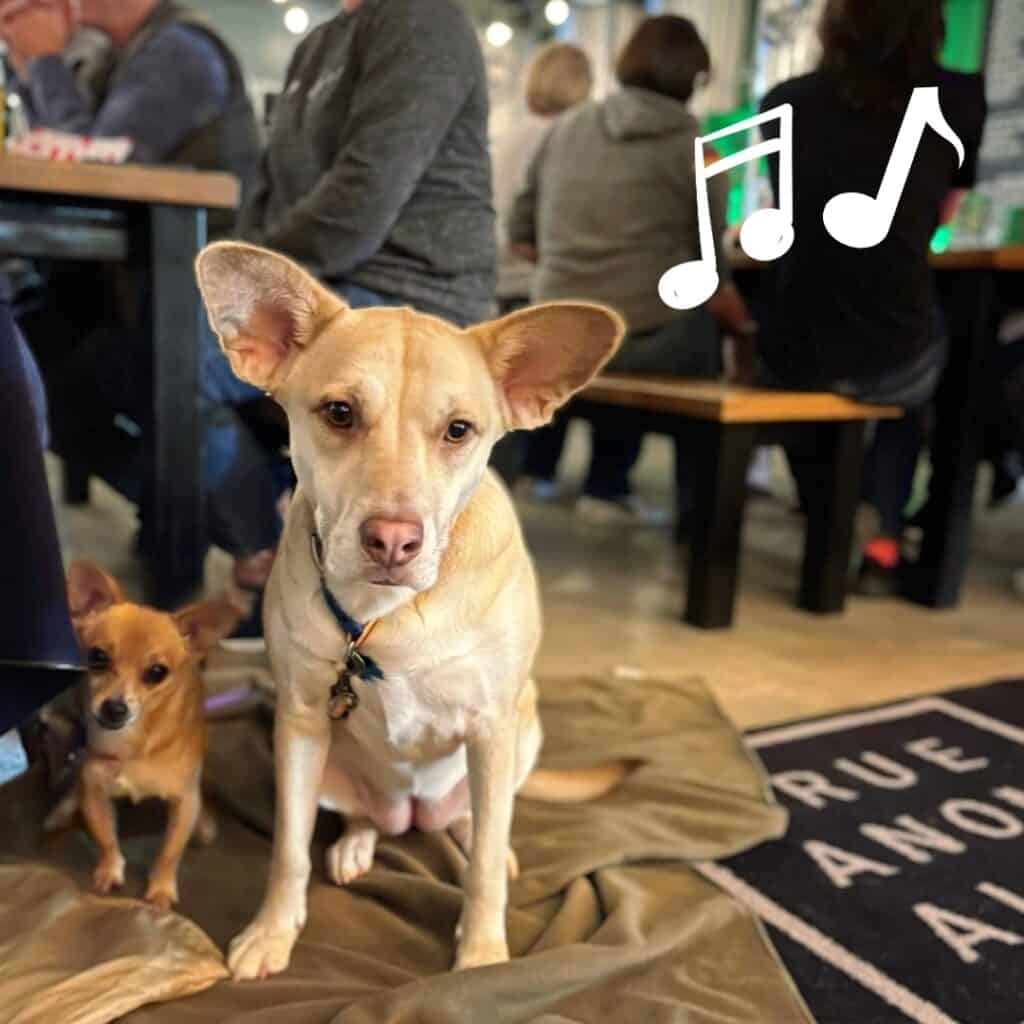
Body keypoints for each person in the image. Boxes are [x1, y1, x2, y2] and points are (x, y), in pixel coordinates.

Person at [214, 0, 495, 638]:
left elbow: (359, 204)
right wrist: (252, 286)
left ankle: (272, 561)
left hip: (414, 292)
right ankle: (276, 552)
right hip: (328, 285)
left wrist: (262, 290)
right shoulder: (319, 45)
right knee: (106, 364)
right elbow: (270, 194)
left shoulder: (423, 21)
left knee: (171, 363)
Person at [1, 0, 275, 620]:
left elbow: (93, 153)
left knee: (153, 366)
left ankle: (258, 537)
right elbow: (60, 151)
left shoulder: (181, 51)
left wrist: (43, 58)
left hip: (207, 299)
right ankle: (190, 513)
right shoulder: (122, 55)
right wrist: (32, 63)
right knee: (35, 358)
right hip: (149, 288)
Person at [757, 0, 987, 594]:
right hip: (892, 346)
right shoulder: (958, 97)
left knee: (821, 363)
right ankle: (885, 533)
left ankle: (828, 513)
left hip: (792, 349)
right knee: (923, 355)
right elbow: (941, 215)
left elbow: (789, 214)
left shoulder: (783, 100)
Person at [510, 15, 756, 525]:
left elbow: (521, 234)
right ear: (694, 79)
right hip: (647, 342)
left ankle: (542, 472)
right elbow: (710, 276)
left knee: (618, 321)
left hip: (560, 327)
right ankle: (693, 515)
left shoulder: (566, 130)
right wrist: (746, 328)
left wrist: (580, 269)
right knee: (691, 332)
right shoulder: (699, 151)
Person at [489, 41, 591, 485]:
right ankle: (561, 475)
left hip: (495, 282)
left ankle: (525, 474)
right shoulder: (570, 139)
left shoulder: (509, 133)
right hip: (536, 282)